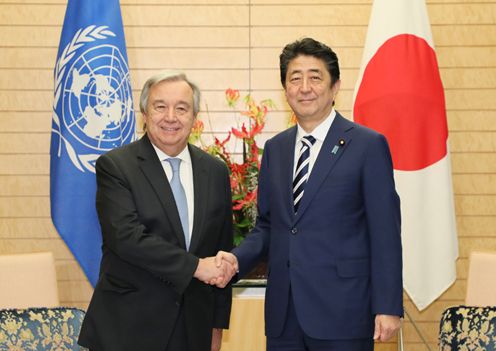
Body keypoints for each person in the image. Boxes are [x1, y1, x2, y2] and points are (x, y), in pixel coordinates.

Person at [215, 38, 403, 350]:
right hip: (284, 314)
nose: (305, 87)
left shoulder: (368, 146)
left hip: (344, 312)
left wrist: (388, 306)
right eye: (295, 78)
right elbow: (268, 226)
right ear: (285, 87)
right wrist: (235, 261)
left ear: (335, 86)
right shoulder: (276, 149)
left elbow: (385, 232)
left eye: (315, 77)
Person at [78, 71, 234, 351]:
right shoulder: (115, 166)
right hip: (129, 329)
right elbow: (126, 237)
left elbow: (221, 250)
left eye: (182, 108)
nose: (171, 117)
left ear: (194, 117)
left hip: (193, 330)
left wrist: (216, 328)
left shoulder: (215, 171)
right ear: (145, 114)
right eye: (160, 106)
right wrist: (197, 267)